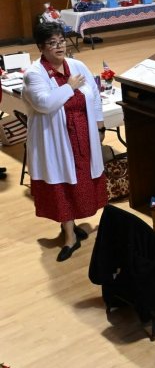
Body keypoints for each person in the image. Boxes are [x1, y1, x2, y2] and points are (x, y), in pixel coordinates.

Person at [22, 22, 107, 262]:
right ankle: (69, 237)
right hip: (56, 140)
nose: (59, 46)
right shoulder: (34, 74)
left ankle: (73, 226)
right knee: (61, 185)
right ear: (41, 47)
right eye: (52, 43)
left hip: (82, 136)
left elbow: (94, 95)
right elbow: (45, 104)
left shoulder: (77, 65)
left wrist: (100, 126)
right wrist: (69, 87)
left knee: (79, 182)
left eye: (61, 41)